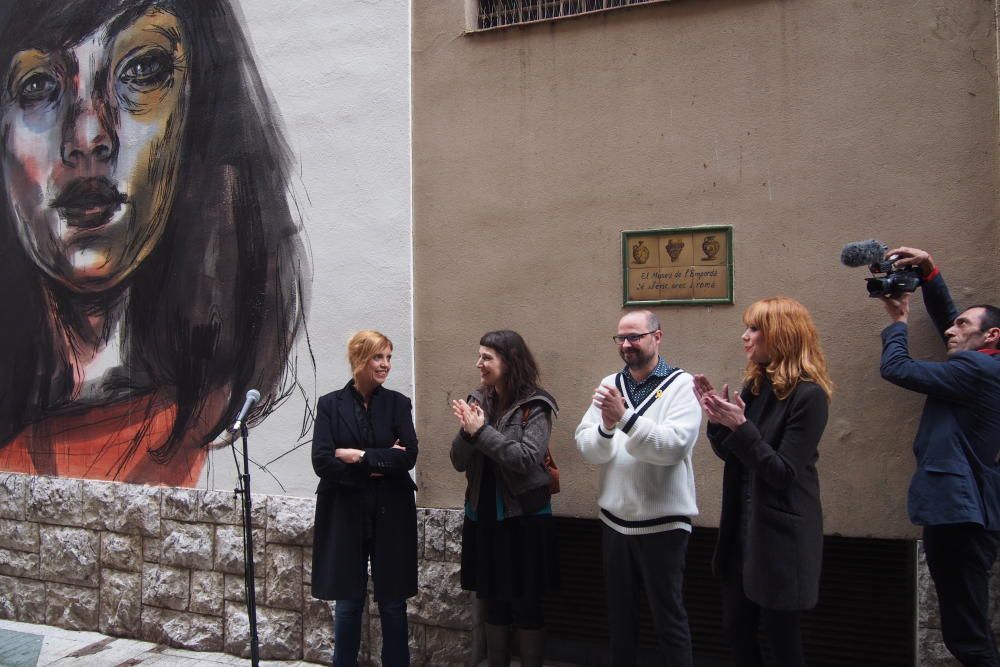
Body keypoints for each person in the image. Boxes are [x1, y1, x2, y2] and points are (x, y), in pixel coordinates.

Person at [0, 0, 308, 485]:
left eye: (141, 70)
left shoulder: (208, 414)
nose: (87, 136)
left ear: (196, 115)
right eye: (38, 85)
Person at [693, 297, 832, 667]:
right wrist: (718, 422)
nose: (745, 337)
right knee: (735, 631)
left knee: (783, 643)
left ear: (782, 335)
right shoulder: (756, 387)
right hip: (743, 535)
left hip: (780, 542)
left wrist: (740, 427)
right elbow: (736, 459)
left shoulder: (809, 396)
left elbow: (782, 473)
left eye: (755, 329)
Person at [878, 246, 1000, 667]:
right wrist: (929, 274)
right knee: (964, 628)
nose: (950, 330)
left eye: (963, 325)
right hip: (962, 515)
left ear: (991, 337)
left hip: (963, 518)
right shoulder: (983, 362)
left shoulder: (978, 371)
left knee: (967, 635)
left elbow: (897, 369)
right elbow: (952, 323)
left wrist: (898, 323)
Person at [575, 309, 701, 667]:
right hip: (615, 523)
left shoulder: (682, 385)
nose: (627, 345)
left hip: (663, 525)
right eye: (621, 338)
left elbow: (673, 447)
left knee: (669, 620)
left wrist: (624, 418)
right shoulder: (609, 384)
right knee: (620, 621)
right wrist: (605, 428)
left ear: (657, 337)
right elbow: (587, 447)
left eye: (635, 337)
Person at [450, 330, 559, 667]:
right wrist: (468, 434)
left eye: (487, 358)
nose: (478, 364)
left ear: (509, 362)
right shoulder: (477, 400)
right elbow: (457, 461)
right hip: (484, 517)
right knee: (493, 600)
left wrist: (481, 432)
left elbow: (527, 459)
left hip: (524, 519)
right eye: (479, 356)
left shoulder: (536, 405)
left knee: (527, 603)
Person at [311, 330, 418, 667]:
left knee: (393, 601)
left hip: (392, 510)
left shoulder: (398, 404)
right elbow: (323, 461)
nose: (385, 364)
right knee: (348, 600)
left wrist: (359, 457)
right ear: (359, 358)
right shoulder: (330, 405)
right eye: (378, 357)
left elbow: (408, 456)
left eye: (388, 357)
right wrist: (381, 459)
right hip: (345, 510)